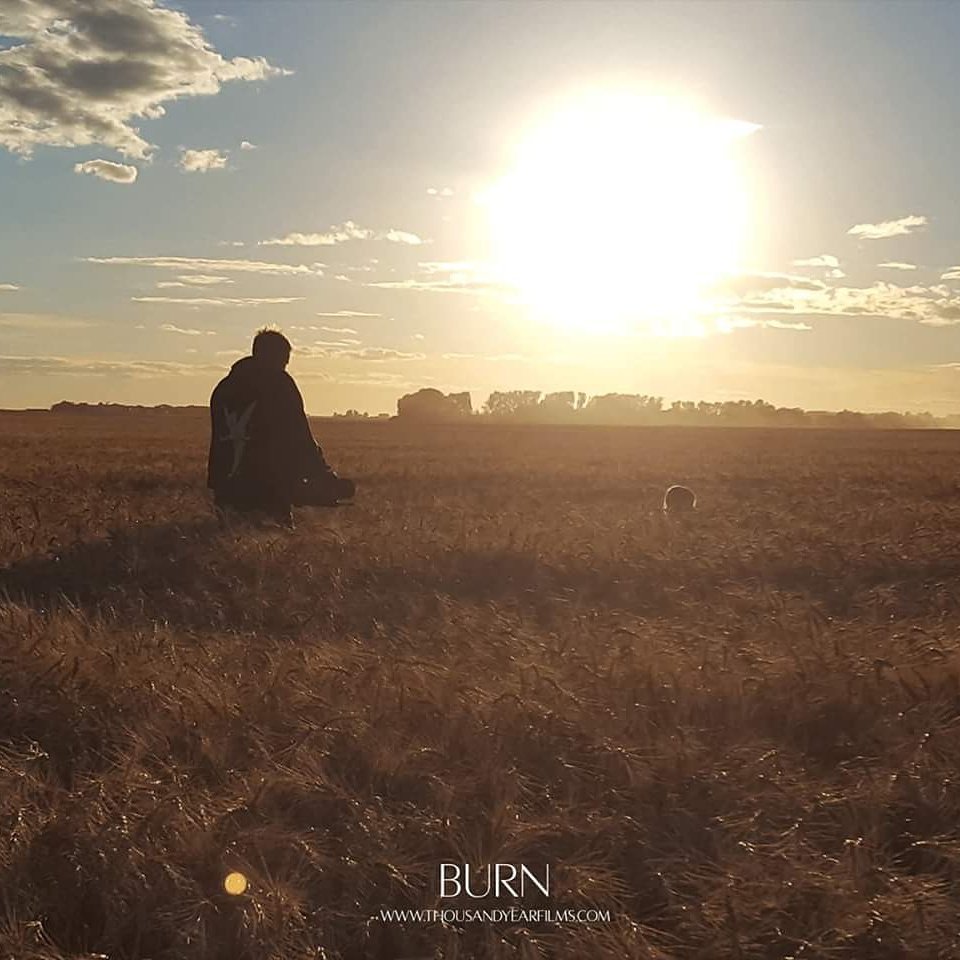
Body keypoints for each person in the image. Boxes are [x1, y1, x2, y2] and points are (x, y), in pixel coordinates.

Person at [207, 328, 355, 525]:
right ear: (277, 357)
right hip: (268, 487)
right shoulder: (278, 383)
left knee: (228, 542)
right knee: (275, 541)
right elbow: (299, 435)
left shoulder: (223, 388)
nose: (285, 367)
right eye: (285, 361)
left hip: (227, 487)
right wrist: (323, 477)